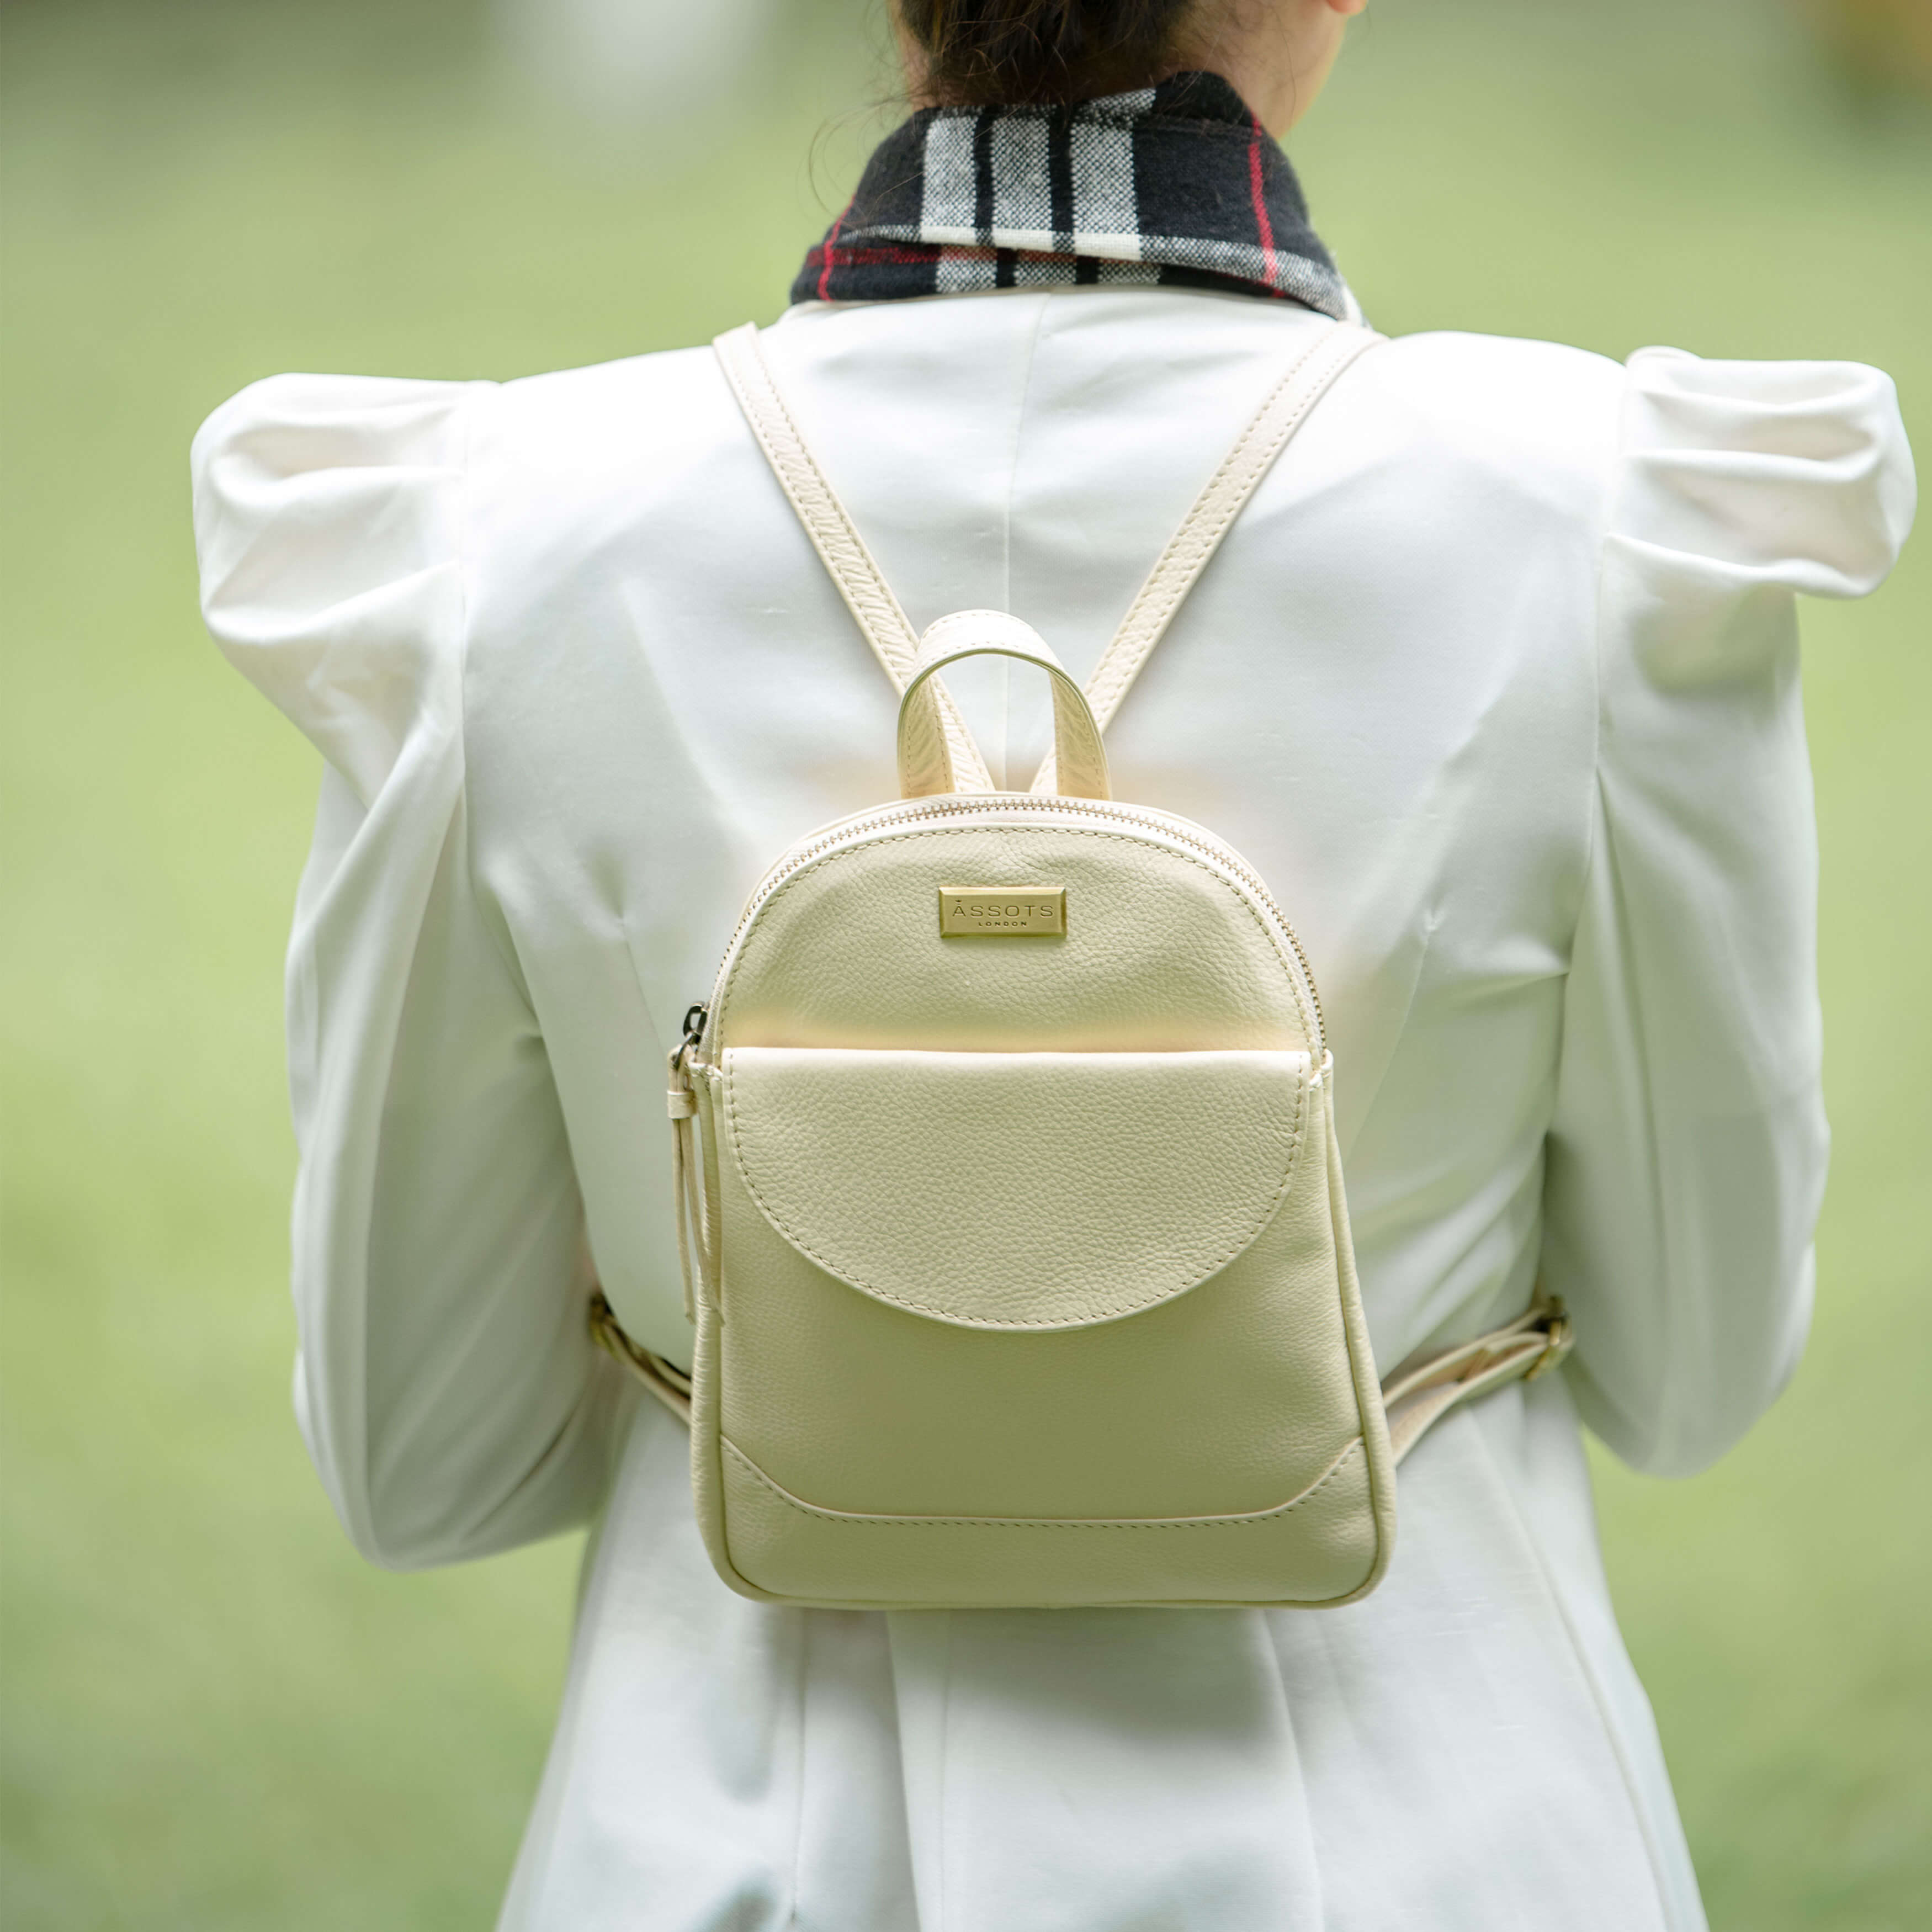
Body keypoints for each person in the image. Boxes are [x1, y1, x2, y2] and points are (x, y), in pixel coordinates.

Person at [189, 1, 1915, 1926]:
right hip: (1432, 1838)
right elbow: (1692, 1370)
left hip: (726, 1848)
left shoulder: (498, 536)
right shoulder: (1602, 517)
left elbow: (428, 1464)